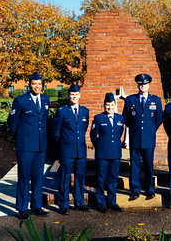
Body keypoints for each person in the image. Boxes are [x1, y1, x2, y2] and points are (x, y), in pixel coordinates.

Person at [7, 72, 50, 220]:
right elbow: (12, 122)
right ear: (29, 85)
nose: (37, 86)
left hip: (40, 146)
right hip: (25, 146)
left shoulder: (45, 100)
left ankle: (36, 206)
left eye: (39, 84)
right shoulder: (21, 101)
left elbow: (43, 121)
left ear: (42, 85)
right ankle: (23, 208)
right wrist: (19, 138)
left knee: (38, 177)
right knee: (24, 177)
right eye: (34, 84)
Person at [51, 84, 90, 215]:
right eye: (72, 95)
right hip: (67, 151)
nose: (74, 97)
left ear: (79, 95)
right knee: (65, 177)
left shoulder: (85, 111)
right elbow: (55, 131)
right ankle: (63, 204)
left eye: (76, 94)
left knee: (80, 177)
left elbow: (84, 128)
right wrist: (63, 143)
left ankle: (79, 202)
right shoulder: (62, 111)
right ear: (69, 96)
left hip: (81, 150)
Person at [122, 74, 163, 201]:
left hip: (149, 138)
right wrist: (135, 129)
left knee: (148, 165)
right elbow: (126, 118)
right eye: (140, 84)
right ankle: (135, 190)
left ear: (148, 85)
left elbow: (159, 118)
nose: (142, 86)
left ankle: (150, 189)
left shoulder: (156, 100)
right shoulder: (130, 100)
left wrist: (150, 130)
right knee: (134, 165)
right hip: (135, 137)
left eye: (145, 84)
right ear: (137, 85)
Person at [90, 93, 125, 213]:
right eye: (107, 105)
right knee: (100, 179)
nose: (109, 107)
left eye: (111, 105)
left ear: (115, 105)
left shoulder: (120, 118)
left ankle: (112, 202)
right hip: (102, 154)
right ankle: (100, 203)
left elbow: (119, 133)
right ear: (104, 105)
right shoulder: (98, 118)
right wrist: (99, 146)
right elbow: (93, 136)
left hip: (115, 153)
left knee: (113, 179)